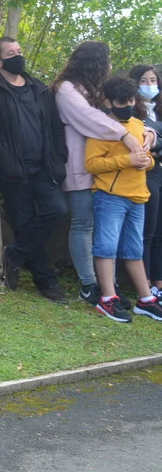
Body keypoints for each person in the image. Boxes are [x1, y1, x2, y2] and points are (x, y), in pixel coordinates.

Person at [53, 42, 154, 304]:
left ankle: (109, 284)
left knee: (104, 231)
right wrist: (124, 136)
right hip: (79, 165)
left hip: (108, 175)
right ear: (95, 63)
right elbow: (90, 118)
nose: (109, 66)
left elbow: (129, 120)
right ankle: (89, 283)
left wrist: (149, 133)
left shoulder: (93, 90)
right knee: (83, 224)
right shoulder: (66, 90)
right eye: (106, 61)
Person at [0, 37, 69, 303]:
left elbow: (55, 126)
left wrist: (59, 157)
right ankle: (45, 280)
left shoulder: (39, 89)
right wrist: (4, 161)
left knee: (57, 209)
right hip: (14, 171)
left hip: (44, 168)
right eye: (11, 53)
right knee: (24, 223)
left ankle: (15, 253)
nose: (18, 56)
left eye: (19, 51)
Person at [84, 77, 162, 323]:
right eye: (122, 102)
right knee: (106, 247)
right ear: (108, 102)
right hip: (111, 197)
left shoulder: (139, 125)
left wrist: (147, 162)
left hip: (137, 196)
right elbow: (92, 164)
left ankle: (145, 299)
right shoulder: (102, 128)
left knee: (134, 249)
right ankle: (107, 298)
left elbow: (148, 159)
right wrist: (127, 161)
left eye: (131, 101)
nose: (127, 106)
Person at [129, 65, 162, 292]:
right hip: (144, 175)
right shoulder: (132, 112)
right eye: (143, 80)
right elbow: (143, 144)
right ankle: (145, 285)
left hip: (159, 173)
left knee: (160, 234)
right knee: (146, 233)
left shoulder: (158, 110)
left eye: (153, 80)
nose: (149, 85)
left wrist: (156, 145)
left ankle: (158, 284)